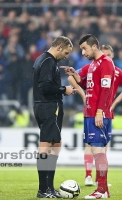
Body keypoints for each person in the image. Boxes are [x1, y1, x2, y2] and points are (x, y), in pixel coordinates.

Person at [64, 44, 122, 188]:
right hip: (95, 111)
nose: (104, 57)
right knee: (92, 144)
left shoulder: (117, 72)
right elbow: (72, 79)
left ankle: (99, 180)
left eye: (107, 55)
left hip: (106, 112)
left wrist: (115, 102)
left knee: (103, 146)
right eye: (103, 54)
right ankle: (89, 176)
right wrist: (83, 95)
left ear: (111, 56)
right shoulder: (92, 67)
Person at [61, 35, 115, 199]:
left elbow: (105, 90)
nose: (83, 52)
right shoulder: (92, 66)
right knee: (96, 150)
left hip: (98, 113)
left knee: (99, 150)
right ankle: (103, 189)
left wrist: (99, 112)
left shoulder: (106, 63)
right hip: (89, 113)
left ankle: (101, 190)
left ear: (94, 46)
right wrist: (76, 76)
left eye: (85, 48)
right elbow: (87, 85)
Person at [32, 36, 75, 198]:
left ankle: (48, 187)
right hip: (49, 106)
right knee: (47, 146)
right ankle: (44, 189)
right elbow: (45, 86)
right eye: (66, 52)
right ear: (58, 47)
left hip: (44, 106)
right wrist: (64, 89)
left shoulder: (43, 60)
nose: (66, 56)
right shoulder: (48, 62)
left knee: (55, 145)